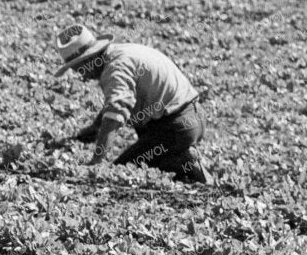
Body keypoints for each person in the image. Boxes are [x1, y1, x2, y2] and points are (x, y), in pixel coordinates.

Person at [53, 23, 212, 185]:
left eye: (79, 69)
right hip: (191, 117)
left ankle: (183, 160)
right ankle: (179, 160)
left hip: (177, 126)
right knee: (146, 163)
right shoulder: (120, 52)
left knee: (121, 172)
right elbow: (119, 101)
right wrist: (95, 127)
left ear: (88, 59)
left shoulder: (115, 69)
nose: (82, 76)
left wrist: (96, 162)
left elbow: (114, 116)